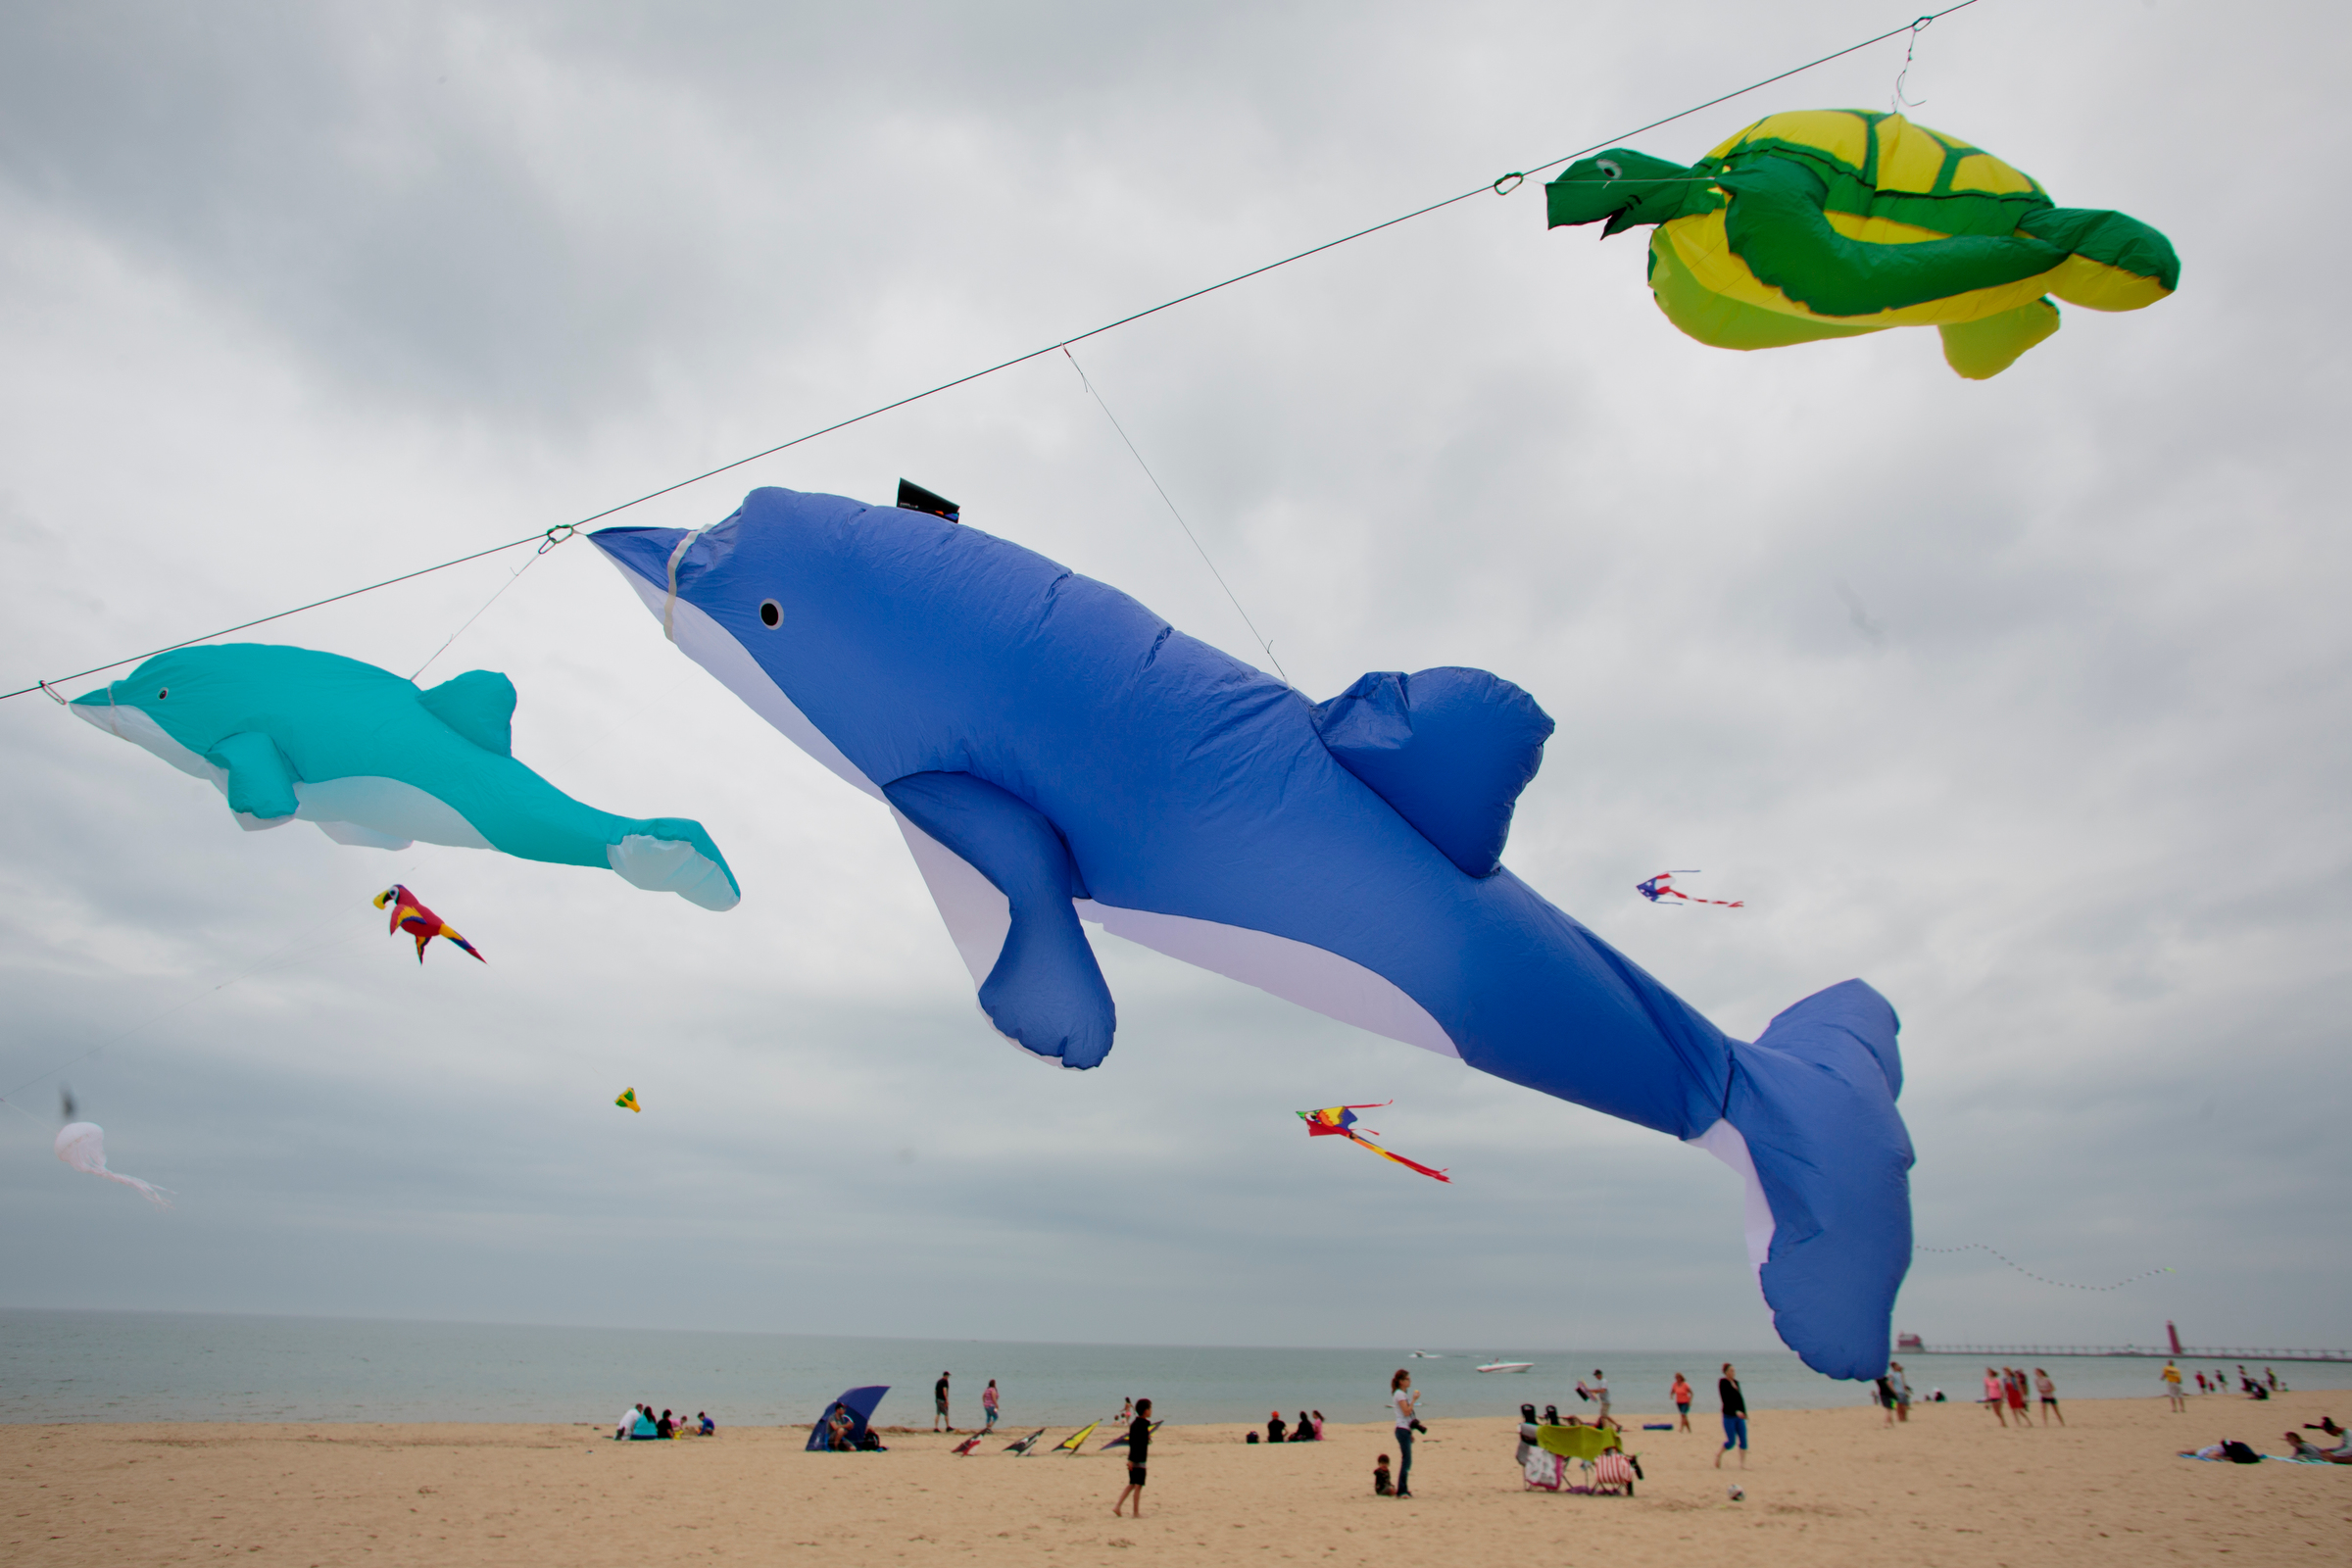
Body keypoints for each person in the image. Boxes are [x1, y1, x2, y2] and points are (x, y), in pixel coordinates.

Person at [1112, 1397, 1153, 1517]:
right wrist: (1131, 1460)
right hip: (1138, 1459)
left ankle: (1117, 1506)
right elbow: (1135, 1443)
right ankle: (1135, 1512)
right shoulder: (1141, 1426)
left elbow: (1134, 1442)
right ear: (1146, 1411)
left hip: (1133, 1458)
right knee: (1138, 1486)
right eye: (1150, 1409)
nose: (1151, 1411)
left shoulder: (1135, 1424)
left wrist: (1130, 1459)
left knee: (1132, 1484)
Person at [1391, 1369, 1420, 1497]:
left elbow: (1407, 1417)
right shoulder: (1399, 1394)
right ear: (1401, 1381)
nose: (1410, 1381)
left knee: (1407, 1460)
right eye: (1407, 1379)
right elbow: (1407, 1412)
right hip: (1401, 1429)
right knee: (1406, 1460)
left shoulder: (1402, 1394)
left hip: (1405, 1429)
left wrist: (1411, 1432)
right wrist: (1414, 1400)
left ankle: (1403, 1488)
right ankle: (1402, 1490)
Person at [1715, 1363, 1746, 1469]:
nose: (1734, 1373)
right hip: (1729, 1416)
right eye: (1732, 1371)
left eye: (1734, 1371)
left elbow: (1740, 1399)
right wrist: (1736, 1411)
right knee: (1731, 1442)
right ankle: (1719, 1455)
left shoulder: (1736, 1383)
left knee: (1744, 1440)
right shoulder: (1723, 1383)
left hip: (1739, 1417)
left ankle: (1742, 1464)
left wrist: (1743, 1412)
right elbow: (1725, 1399)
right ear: (1726, 1372)